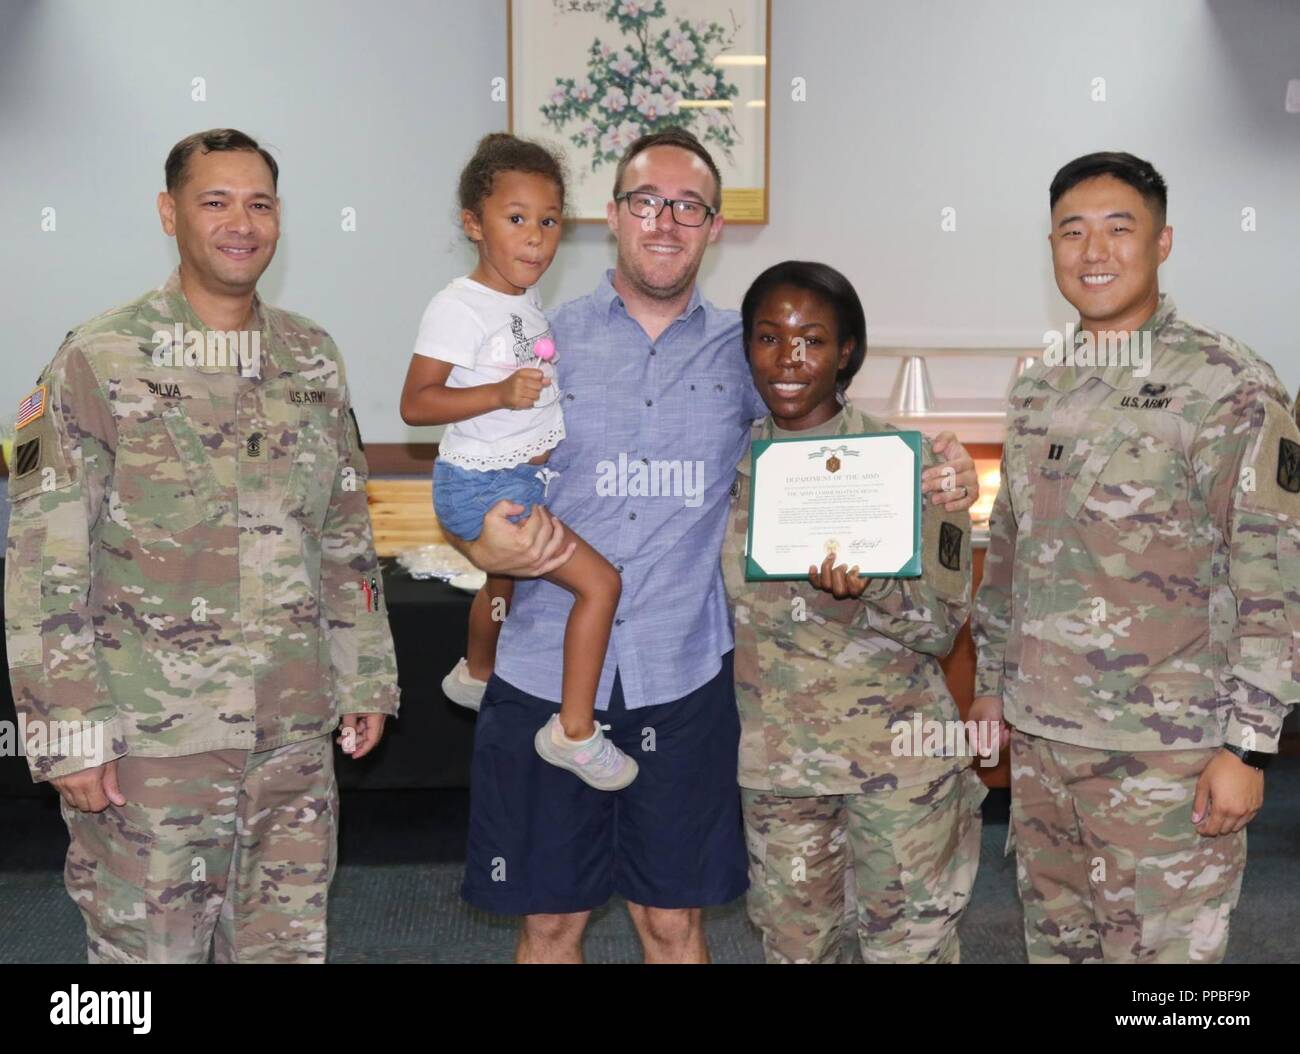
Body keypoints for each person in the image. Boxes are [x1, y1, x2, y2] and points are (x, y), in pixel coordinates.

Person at [443, 126, 980, 963]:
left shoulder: (748, 352)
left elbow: (832, 452)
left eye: (687, 206)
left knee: (672, 923)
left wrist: (941, 471)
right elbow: (468, 462)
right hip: (545, 668)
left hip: (684, 680)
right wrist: (480, 543)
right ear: (613, 217)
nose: (665, 222)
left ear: (714, 227)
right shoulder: (537, 344)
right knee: (549, 923)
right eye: (646, 202)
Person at [3, 128, 399, 963]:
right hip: (154, 750)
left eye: (258, 203)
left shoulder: (312, 357)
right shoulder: (98, 358)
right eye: (214, 201)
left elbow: (345, 540)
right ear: (168, 213)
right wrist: (68, 733)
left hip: (291, 740)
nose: (240, 222)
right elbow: (42, 566)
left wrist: (365, 673)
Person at [971, 151, 1300, 963]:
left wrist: (1251, 745)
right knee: (1058, 952)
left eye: (1120, 230)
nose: (1094, 252)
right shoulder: (1039, 386)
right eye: (1072, 232)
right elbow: (1010, 554)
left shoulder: (1227, 384)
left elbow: (1273, 572)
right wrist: (988, 689)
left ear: (1163, 242)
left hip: (1166, 756)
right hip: (1045, 746)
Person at [724, 260, 986, 964]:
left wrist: (873, 584)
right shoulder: (727, 464)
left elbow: (940, 628)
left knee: (909, 952)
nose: (789, 358)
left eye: (812, 339)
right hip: (782, 769)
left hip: (900, 766)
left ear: (846, 352)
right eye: (768, 337)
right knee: (795, 953)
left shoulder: (912, 466)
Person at [400, 134, 632, 790]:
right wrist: (499, 394)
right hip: (487, 484)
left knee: (504, 582)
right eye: (516, 218)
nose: (535, 237)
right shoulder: (458, 306)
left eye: (549, 221)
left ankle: (476, 671)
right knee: (601, 586)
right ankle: (576, 731)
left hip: (516, 475)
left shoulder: (522, 302)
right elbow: (416, 404)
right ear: (474, 223)